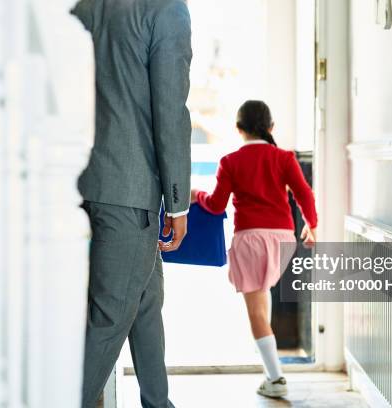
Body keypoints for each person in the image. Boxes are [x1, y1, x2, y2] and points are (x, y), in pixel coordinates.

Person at [71, 0, 192, 407]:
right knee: (109, 318)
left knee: (144, 303)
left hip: (80, 181)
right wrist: (177, 206)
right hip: (129, 190)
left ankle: (159, 404)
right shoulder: (166, 10)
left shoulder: (82, 6)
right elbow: (171, 112)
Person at [191, 100, 318, 398]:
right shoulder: (284, 158)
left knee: (256, 314)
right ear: (270, 128)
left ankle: (276, 379)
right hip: (284, 239)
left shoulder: (230, 162)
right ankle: (270, 374)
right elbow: (304, 194)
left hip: (251, 240)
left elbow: (216, 205)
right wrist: (312, 224)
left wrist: (198, 195)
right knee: (264, 303)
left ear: (239, 129)